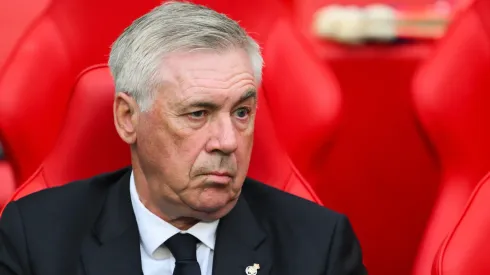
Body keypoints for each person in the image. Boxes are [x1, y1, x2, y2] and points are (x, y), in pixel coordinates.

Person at [0, 1, 367, 274]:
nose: (227, 142)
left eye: (242, 112)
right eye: (198, 113)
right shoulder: (34, 238)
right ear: (128, 118)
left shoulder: (320, 246)